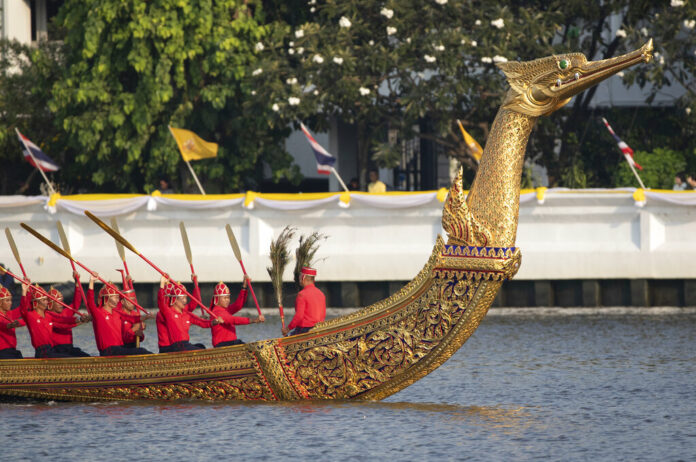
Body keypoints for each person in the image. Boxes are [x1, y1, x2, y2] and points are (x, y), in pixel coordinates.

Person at [86, 274, 152, 356]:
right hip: (108, 351)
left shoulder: (117, 313)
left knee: (140, 350)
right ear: (107, 298)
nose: (118, 300)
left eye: (118, 297)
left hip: (120, 348)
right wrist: (91, 281)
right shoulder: (98, 313)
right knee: (141, 351)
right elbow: (90, 302)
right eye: (116, 297)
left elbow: (132, 318)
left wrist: (145, 317)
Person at [19, 282, 88, 358]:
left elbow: (62, 319)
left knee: (85, 356)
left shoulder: (48, 316)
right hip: (45, 350)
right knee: (68, 358)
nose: (46, 303)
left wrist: (80, 319)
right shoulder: (31, 315)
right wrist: (24, 293)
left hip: (52, 349)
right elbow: (23, 310)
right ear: (36, 303)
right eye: (44, 300)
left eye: (46, 300)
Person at [158, 275, 222, 352]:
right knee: (202, 351)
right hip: (174, 346)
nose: (185, 301)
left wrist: (213, 322)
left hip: (185, 344)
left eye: (186, 298)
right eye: (182, 298)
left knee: (201, 346)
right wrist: (162, 285)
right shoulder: (168, 312)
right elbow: (161, 302)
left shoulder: (186, 313)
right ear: (175, 299)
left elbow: (202, 322)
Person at [210, 277, 264, 348]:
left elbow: (238, 305)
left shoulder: (226, 309)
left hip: (231, 344)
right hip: (222, 345)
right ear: (217, 299)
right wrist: (254, 320)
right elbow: (233, 320)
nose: (228, 300)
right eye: (225, 298)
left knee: (241, 343)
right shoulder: (216, 312)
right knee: (241, 344)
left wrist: (244, 287)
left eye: (228, 298)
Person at [47, 273, 92, 357]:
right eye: (58, 302)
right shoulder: (48, 315)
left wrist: (77, 283)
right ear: (50, 304)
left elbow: (76, 303)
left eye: (61, 301)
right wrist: (81, 320)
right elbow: (63, 325)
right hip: (57, 349)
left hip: (69, 348)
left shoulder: (65, 312)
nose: (61, 304)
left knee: (87, 357)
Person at [282, 267, 326, 337]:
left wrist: (288, 328)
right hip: (320, 329)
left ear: (303, 277)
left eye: (300, 276)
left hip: (304, 330)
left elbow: (299, 316)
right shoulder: (321, 294)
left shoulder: (302, 294)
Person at [118, 274, 146, 349]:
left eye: (134, 300)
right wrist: (134, 329)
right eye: (130, 301)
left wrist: (140, 334)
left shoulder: (136, 314)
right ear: (123, 302)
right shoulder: (118, 315)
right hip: (122, 348)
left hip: (134, 347)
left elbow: (142, 338)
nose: (133, 303)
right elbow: (121, 338)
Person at [0, 285, 25, 359]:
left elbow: (22, 309)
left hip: (13, 350)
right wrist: (13, 324)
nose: (10, 303)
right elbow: (5, 325)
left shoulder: (9, 314)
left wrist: (25, 291)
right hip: (2, 352)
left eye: (11, 300)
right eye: (7, 300)